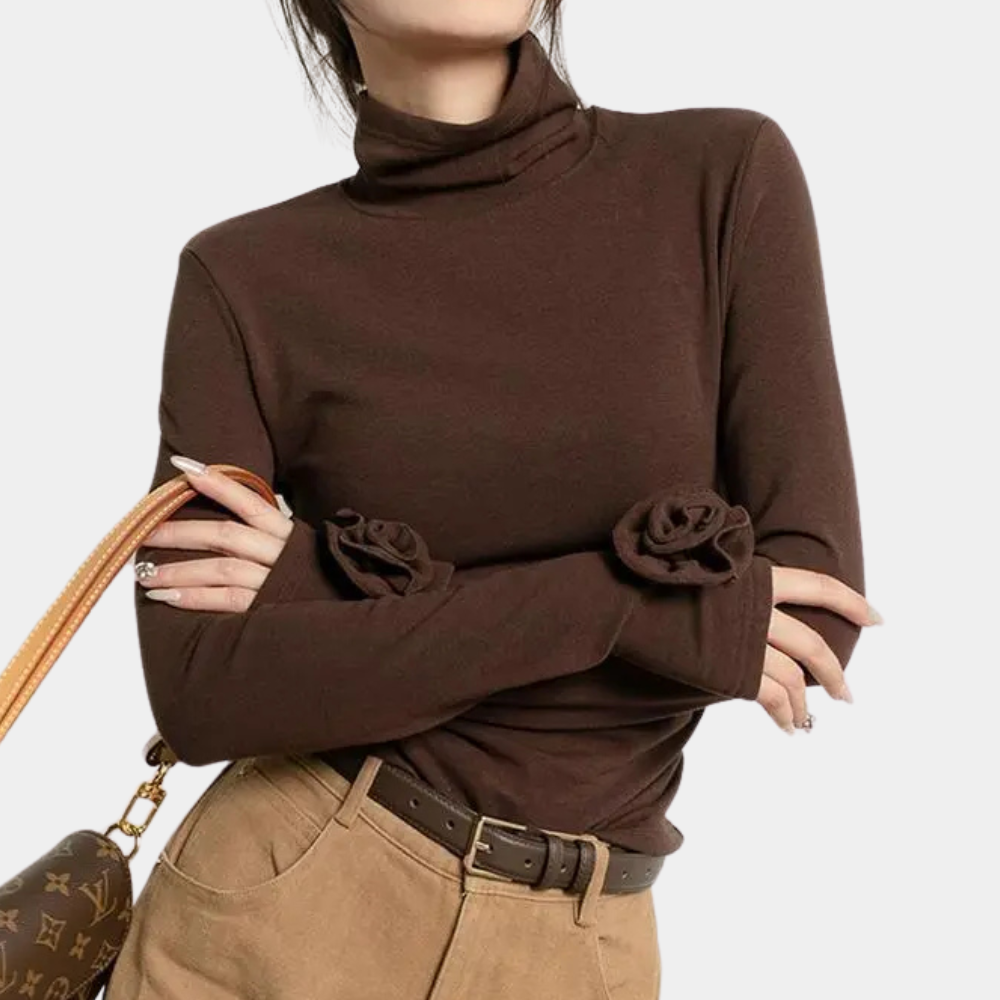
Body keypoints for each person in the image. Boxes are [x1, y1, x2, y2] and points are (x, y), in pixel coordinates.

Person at [105, 1, 880, 996]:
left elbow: (810, 623)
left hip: (584, 946)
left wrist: (326, 592)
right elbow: (204, 695)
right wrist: (630, 608)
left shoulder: (720, 176)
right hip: (286, 900)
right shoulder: (242, 277)